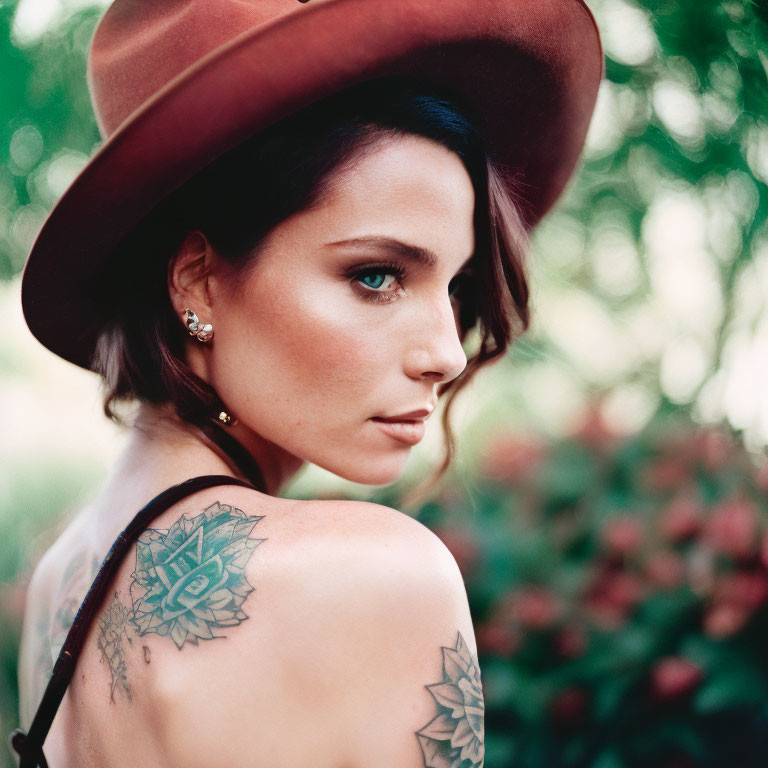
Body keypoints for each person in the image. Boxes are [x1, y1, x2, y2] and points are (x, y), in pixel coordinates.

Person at [11, 0, 603, 765]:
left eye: (454, 289)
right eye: (377, 275)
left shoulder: (60, 585)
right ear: (196, 281)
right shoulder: (376, 576)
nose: (447, 353)